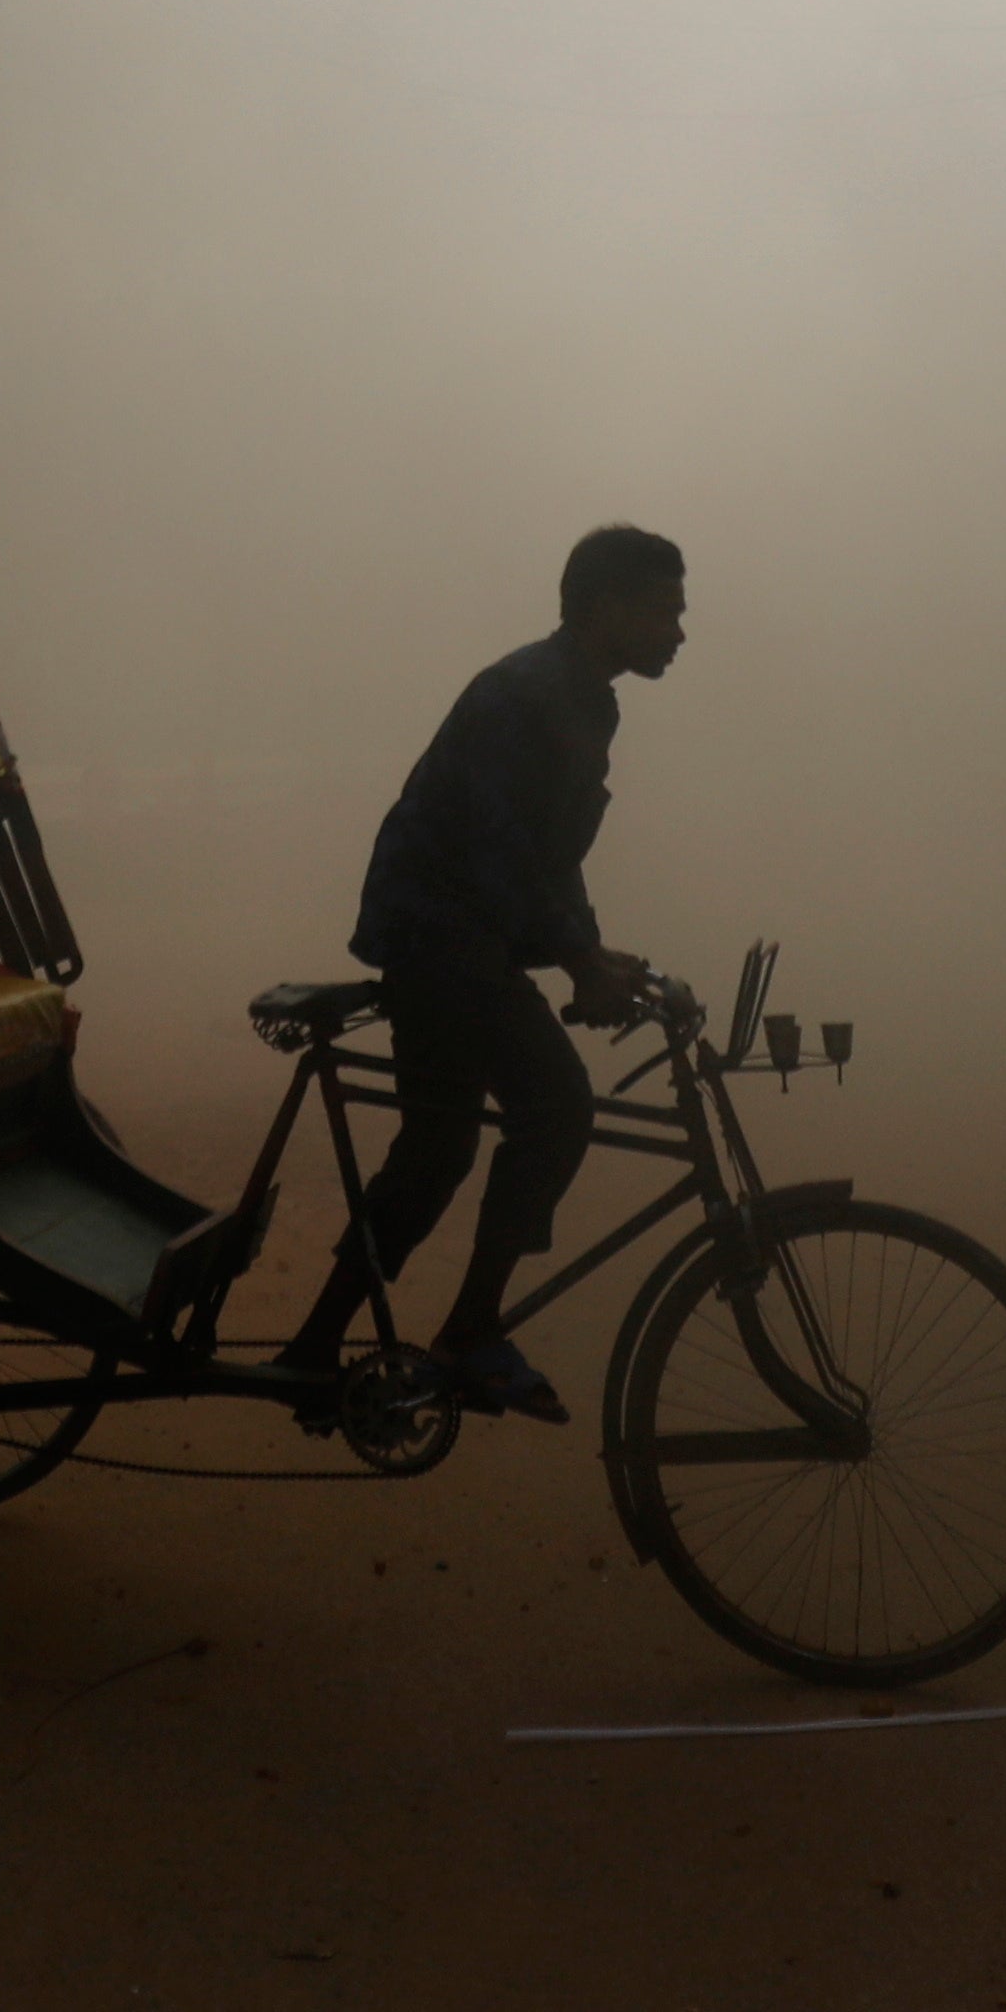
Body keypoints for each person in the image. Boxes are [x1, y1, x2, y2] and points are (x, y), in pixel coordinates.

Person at [278, 525, 684, 1423]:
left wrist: (589, 948)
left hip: (471, 937)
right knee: (554, 1107)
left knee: (436, 1147)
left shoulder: (587, 702)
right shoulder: (523, 695)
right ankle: (469, 1329)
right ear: (603, 608)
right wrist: (576, 958)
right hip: (437, 934)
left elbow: (552, 851)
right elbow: (498, 846)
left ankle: (314, 1345)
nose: (678, 632)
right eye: (663, 610)